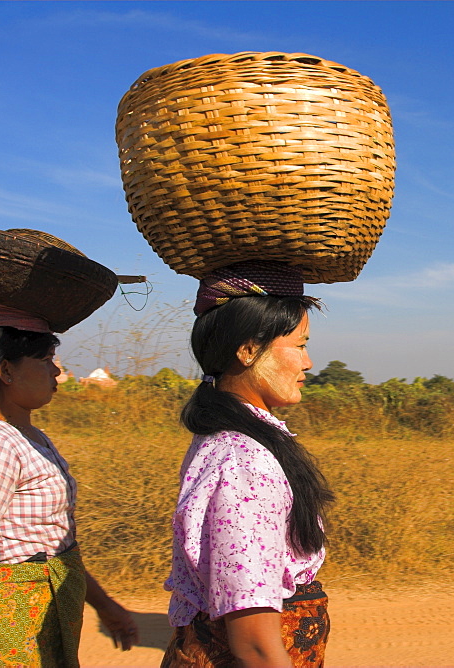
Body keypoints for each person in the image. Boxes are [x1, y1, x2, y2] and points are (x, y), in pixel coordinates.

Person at [0, 308, 139, 667]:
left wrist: (105, 605)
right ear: (6, 371)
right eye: (44, 359)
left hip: (43, 621)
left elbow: (46, 542)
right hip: (7, 631)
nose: (55, 370)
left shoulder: (32, 438)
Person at [162, 261, 334, 668]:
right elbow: (254, 640)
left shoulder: (233, 437)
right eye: (299, 344)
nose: (308, 363)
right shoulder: (244, 462)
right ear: (248, 349)